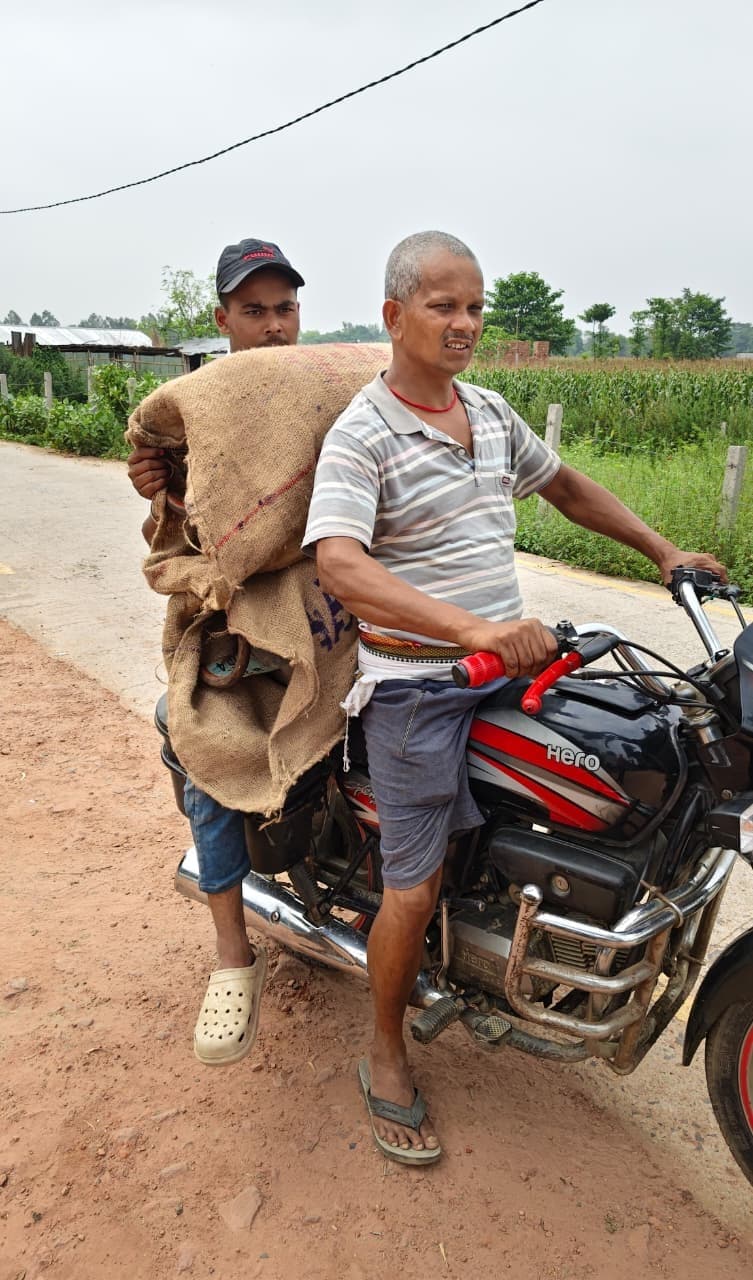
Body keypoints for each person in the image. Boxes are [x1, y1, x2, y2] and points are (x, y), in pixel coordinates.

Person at [302, 229, 726, 1166]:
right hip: (417, 687)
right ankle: (384, 1050)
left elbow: (564, 486)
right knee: (413, 883)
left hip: (502, 669)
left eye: (475, 307)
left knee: (625, 762)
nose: (464, 324)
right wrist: (469, 630)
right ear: (395, 316)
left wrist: (662, 553)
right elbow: (340, 564)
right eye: (444, 306)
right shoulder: (364, 433)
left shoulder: (488, 412)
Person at [128, 239, 305, 1067]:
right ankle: (234, 954)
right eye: (254, 310)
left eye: (285, 309)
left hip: (334, 613)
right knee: (198, 732)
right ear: (223, 319)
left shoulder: (327, 398)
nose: (273, 327)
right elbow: (182, 535)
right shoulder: (197, 413)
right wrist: (161, 491)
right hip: (244, 627)